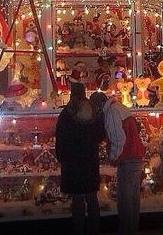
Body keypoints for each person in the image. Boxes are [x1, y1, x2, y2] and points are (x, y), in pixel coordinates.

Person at [90, 91, 145, 235]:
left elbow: (118, 138)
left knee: (124, 200)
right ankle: (133, 229)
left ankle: (126, 230)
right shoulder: (119, 107)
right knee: (133, 198)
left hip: (127, 158)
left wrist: (113, 157)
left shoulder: (112, 112)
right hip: (135, 156)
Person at [55, 82, 105, 235]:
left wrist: (61, 156)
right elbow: (100, 134)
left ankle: (78, 229)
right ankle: (94, 230)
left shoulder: (67, 113)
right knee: (91, 197)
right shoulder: (94, 110)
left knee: (77, 200)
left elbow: (60, 136)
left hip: (72, 160)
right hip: (90, 159)